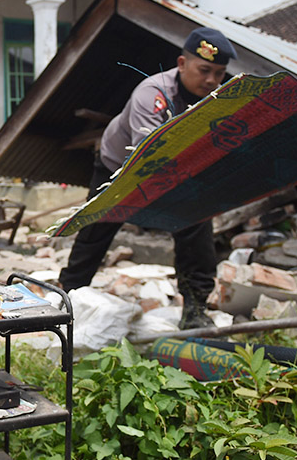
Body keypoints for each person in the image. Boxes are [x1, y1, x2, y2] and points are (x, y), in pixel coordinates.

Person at [58, 27, 237, 329]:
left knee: (196, 223)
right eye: (204, 70)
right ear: (182, 63)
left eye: (219, 74)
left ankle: (195, 308)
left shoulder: (222, 96)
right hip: (121, 166)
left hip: (183, 169)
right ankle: (66, 299)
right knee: (95, 231)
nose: (211, 80)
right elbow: (149, 157)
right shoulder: (153, 93)